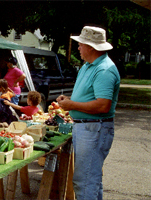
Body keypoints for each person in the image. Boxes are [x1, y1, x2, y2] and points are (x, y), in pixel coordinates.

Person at [56, 26, 120, 199]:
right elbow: (90, 96)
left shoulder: (104, 69)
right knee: (90, 179)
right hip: (88, 128)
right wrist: (70, 100)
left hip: (94, 128)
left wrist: (72, 105)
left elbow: (102, 106)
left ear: (91, 47)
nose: (78, 47)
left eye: (81, 44)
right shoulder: (89, 65)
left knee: (85, 181)